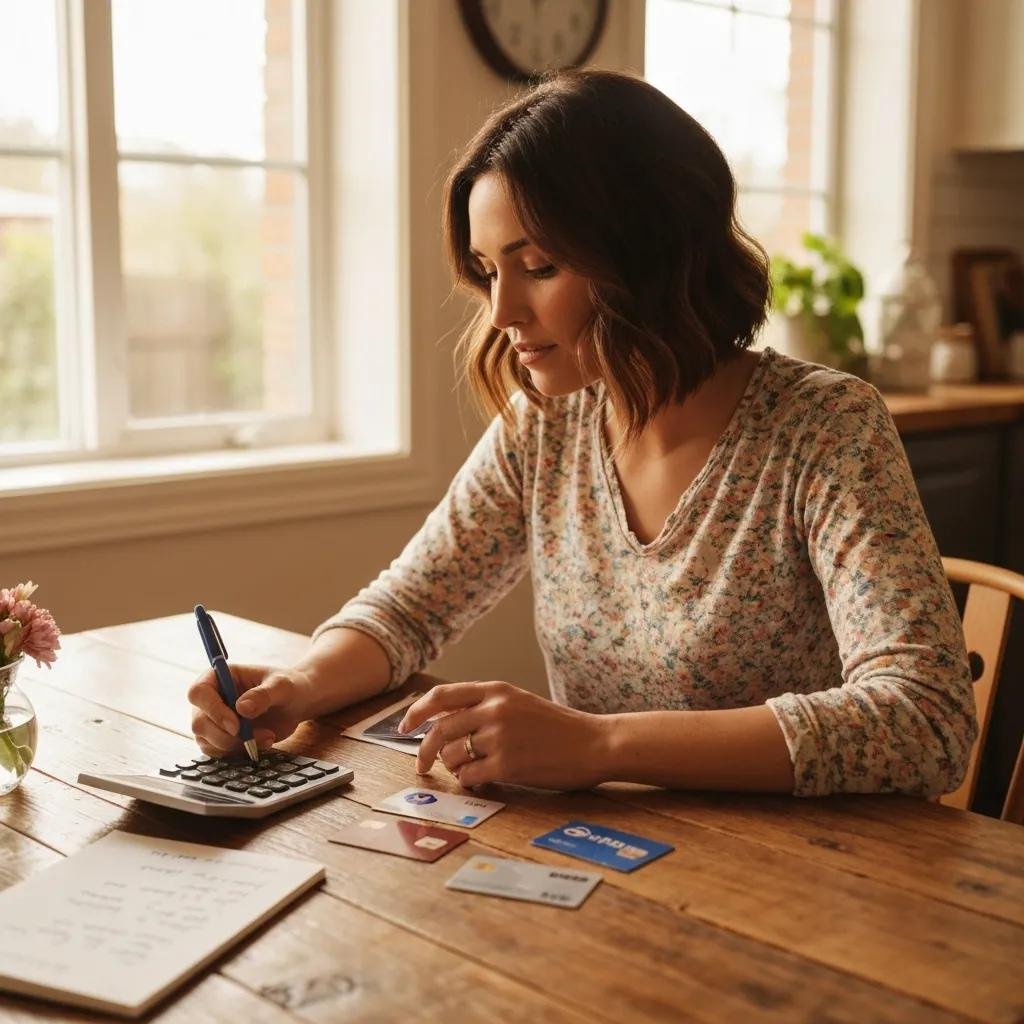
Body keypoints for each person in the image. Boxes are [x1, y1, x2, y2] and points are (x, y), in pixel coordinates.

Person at [188, 70, 976, 798]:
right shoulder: (548, 425)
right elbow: (409, 612)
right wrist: (296, 686)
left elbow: (925, 722)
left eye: (537, 267)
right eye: (488, 270)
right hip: (603, 867)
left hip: (809, 884)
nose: (501, 314)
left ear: (652, 255)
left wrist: (600, 745)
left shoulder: (824, 427)